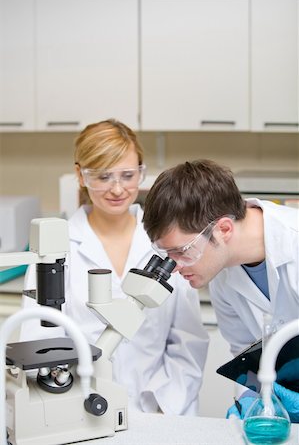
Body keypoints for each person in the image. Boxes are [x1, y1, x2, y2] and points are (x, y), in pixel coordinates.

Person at [20, 119, 209, 415]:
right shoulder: (55, 249)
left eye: (128, 175)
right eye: (104, 176)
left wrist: (163, 405)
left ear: (141, 173)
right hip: (79, 407)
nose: (118, 189)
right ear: (80, 176)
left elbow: (187, 340)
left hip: (158, 411)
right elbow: (39, 338)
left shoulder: (167, 242)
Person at [142, 159, 299, 422]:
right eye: (166, 254)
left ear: (224, 228)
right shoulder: (221, 275)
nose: (175, 267)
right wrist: (252, 401)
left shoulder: (294, 243)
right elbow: (247, 357)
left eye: (181, 251)